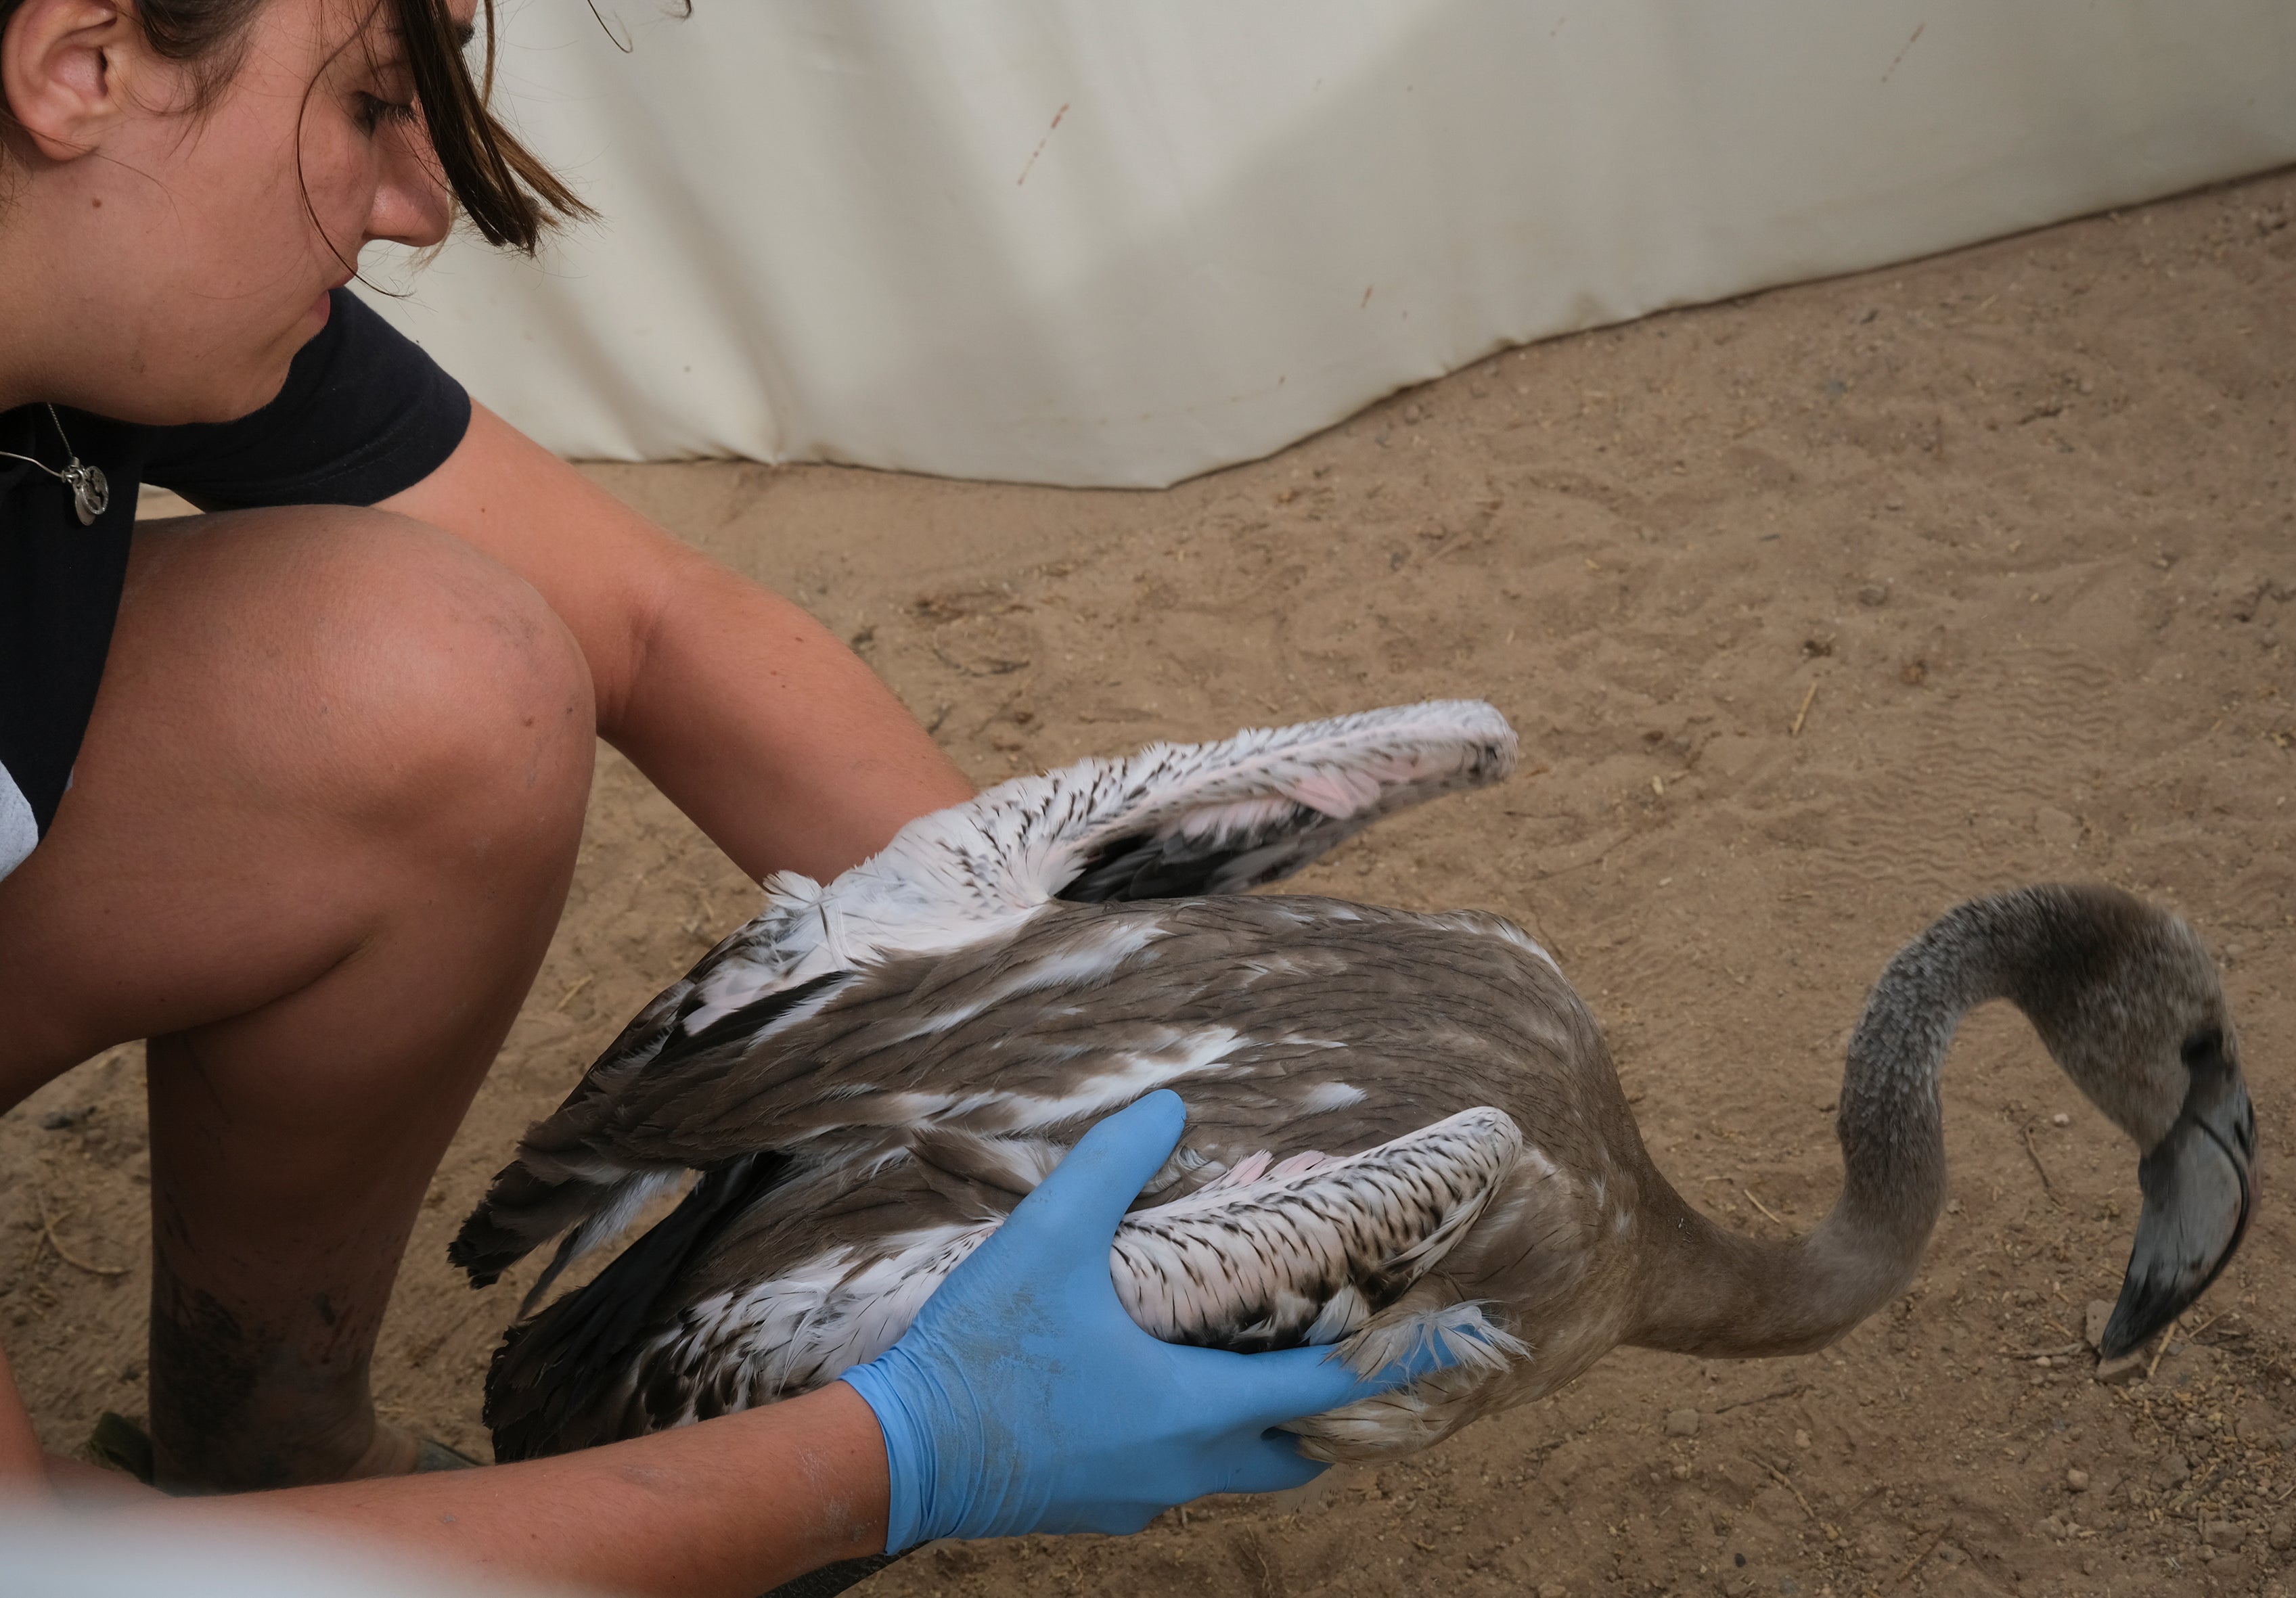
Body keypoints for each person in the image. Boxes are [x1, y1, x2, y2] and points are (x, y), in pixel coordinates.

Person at [0, 0, 1434, 1590]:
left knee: (440, 672)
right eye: (369, 103)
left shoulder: (95, 271)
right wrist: (906, 1451)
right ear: (86, 62)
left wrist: (1109, 1054)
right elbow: (40, 1561)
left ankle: (264, 1449)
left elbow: (651, 625)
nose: (415, 201)